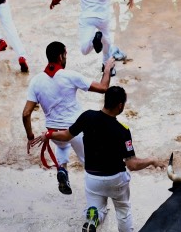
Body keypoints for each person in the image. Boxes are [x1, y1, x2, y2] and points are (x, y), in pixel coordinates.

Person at [35, 85, 162, 232]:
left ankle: (93, 219)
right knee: (123, 211)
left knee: (97, 209)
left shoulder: (87, 116)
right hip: (116, 179)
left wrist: (48, 134)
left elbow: (66, 135)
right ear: (120, 106)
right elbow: (132, 164)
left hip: (93, 178)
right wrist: (151, 160)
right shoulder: (122, 130)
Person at [22, 41, 114, 195]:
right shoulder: (70, 75)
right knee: (90, 164)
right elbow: (103, 88)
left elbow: (26, 113)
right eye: (65, 55)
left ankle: (62, 169)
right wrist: (108, 69)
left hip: (54, 133)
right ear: (60, 56)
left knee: (62, 145)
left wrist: (30, 136)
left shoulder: (36, 81)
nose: (66, 58)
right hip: (76, 130)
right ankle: (100, 195)